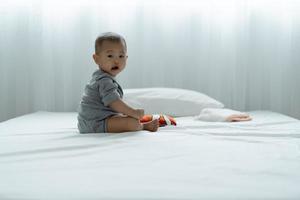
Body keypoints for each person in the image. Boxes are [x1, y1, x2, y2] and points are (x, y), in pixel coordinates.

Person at [77, 32, 159, 133]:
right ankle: (143, 127)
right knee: (131, 122)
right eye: (110, 56)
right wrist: (133, 112)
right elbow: (114, 102)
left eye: (121, 56)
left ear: (126, 58)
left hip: (98, 119)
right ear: (96, 59)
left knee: (127, 118)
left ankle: (140, 124)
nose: (116, 61)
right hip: (94, 123)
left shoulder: (102, 76)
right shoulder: (104, 81)